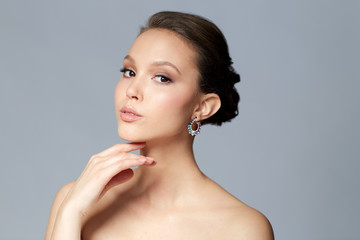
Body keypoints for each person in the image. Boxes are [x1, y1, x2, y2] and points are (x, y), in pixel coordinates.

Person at [45, 11, 274, 239]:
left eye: (162, 78)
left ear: (203, 107)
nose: (132, 90)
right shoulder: (74, 201)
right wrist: (72, 212)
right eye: (129, 72)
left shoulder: (242, 228)